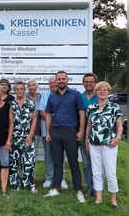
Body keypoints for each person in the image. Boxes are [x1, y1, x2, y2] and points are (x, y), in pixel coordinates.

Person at [44, 71, 86, 203]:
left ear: (67, 80)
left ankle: (79, 191)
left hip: (71, 132)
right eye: (59, 79)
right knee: (57, 163)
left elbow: (81, 113)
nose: (61, 81)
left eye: (63, 79)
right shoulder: (52, 97)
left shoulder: (75, 94)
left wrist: (81, 130)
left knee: (73, 163)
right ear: (55, 81)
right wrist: (48, 132)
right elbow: (49, 115)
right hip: (55, 132)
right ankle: (56, 188)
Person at [85, 81, 123, 210]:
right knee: (96, 171)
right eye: (100, 90)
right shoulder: (91, 108)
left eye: (105, 90)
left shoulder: (114, 107)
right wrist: (86, 141)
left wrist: (118, 138)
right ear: (96, 92)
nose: (102, 91)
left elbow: (119, 125)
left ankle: (113, 200)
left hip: (109, 144)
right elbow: (89, 127)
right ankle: (99, 198)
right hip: (94, 143)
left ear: (108, 92)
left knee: (110, 172)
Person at [38, 77, 68, 189]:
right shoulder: (45, 95)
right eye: (50, 83)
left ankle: (61, 178)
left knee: (60, 155)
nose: (53, 84)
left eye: (54, 82)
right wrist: (52, 122)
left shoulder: (65, 95)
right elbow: (41, 111)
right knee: (48, 155)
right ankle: (49, 178)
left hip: (61, 130)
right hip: (47, 130)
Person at [9, 80, 38, 193]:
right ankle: (15, 184)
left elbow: (34, 120)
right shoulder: (11, 105)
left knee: (28, 162)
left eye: (21, 89)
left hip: (27, 137)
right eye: (17, 89)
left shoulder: (30, 104)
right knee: (14, 162)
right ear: (14, 91)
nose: (19, 91)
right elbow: (9, 122)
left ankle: (28, 184)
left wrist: (30, 135)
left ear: (24, 90)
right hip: (14, 137)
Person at [80, 73, 98, 197]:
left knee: (97, 163)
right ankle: (90, 188)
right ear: (83, 83)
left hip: (98, 135)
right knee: (86, 163)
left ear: (95, 83)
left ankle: (98, 189)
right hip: (84, 134)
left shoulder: (101, 96)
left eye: (91, 81)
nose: (88, 83)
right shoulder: (79, 97)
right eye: (86, 81)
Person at [24, 79, 41, 183]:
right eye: (29, 85)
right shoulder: (24, 98)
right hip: (24, 130)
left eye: (33, 85)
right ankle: (22, 176)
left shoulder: (40, 98)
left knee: (33, 155)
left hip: (36, 130)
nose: (31, 87)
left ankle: (31, 176)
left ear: (36, 87)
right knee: (23, 155)